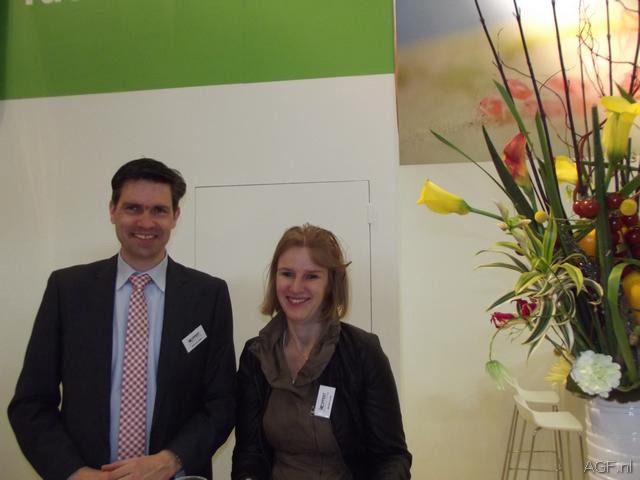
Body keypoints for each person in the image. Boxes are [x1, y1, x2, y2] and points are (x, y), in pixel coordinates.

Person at [8, 158, 236, 480]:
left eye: (159, 210)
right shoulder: (67, 290)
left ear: (175, 216)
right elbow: (30, 404)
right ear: (112, 210)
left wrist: (170, 460)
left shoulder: (208, 296)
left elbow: (222, 403)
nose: (146, 222)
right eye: (133, 208)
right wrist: (74, 473)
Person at [232, 224, 411, 479]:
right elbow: (249, 453)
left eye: (311, 276)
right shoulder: (256, 355)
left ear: (331, 283)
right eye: (287, 274)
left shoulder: (363, 353)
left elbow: (391, 457)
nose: (296, 287)